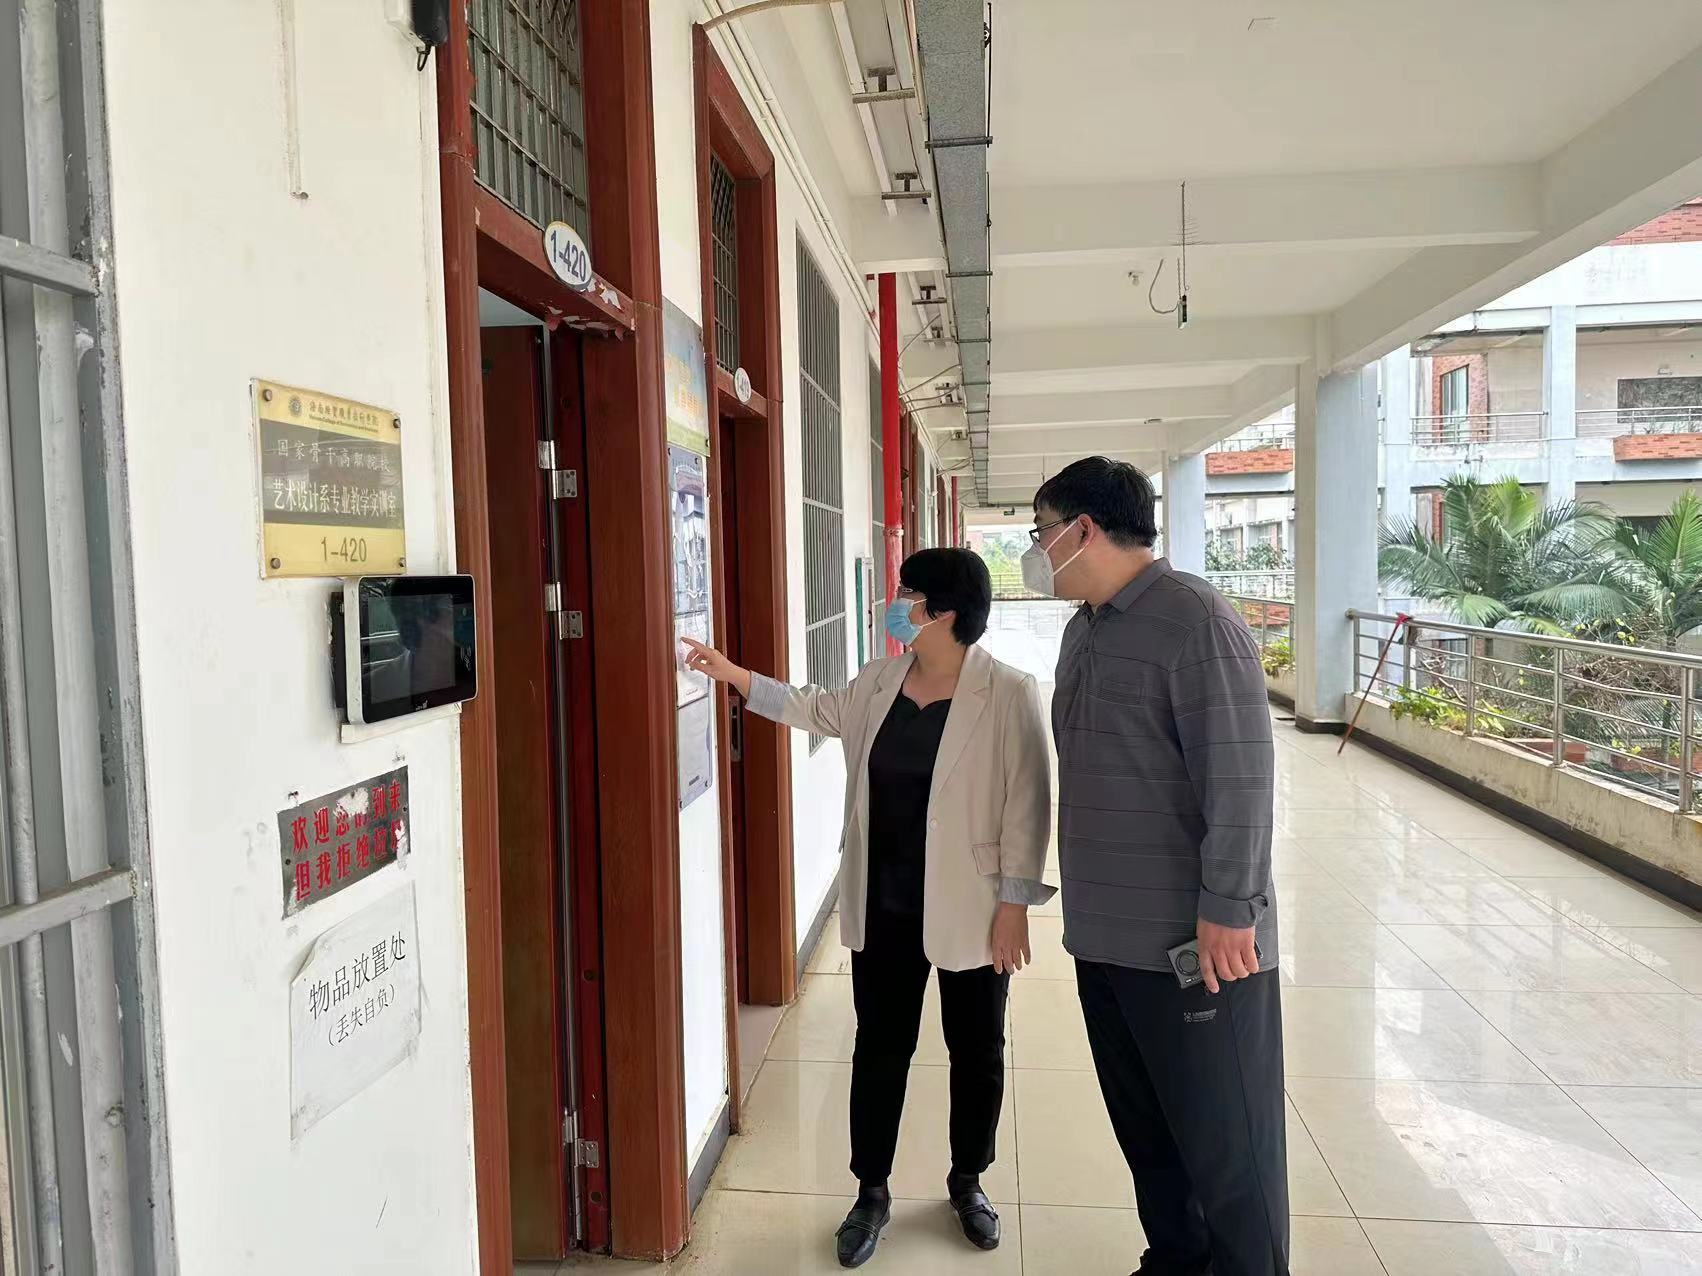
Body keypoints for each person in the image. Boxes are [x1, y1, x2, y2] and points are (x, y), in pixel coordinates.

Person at [684, 547, 1051, 1269]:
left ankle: (968, 1181)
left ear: (943, 611)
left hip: (973, 907)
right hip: (883, 903)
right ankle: (870, 1191)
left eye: (908, 592)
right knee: (880, 1048)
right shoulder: (881, 681)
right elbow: (815, 708)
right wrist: (735, 677)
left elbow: (1029, 803)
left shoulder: (1008, 691)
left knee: (977, 1050)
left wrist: (1015, 904)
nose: (896, 601)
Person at [1024, 457, 1287, 1276]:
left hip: (1195, 948)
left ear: (1083, 530)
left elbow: (1240, 775)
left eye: (1041, 532)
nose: (1037, 549)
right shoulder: (1084, 628)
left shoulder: (1196, 621)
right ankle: (1174, 1261)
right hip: (1104, 940)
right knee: (1151, 1134)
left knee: (1228, 1147)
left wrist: (1231, 908)